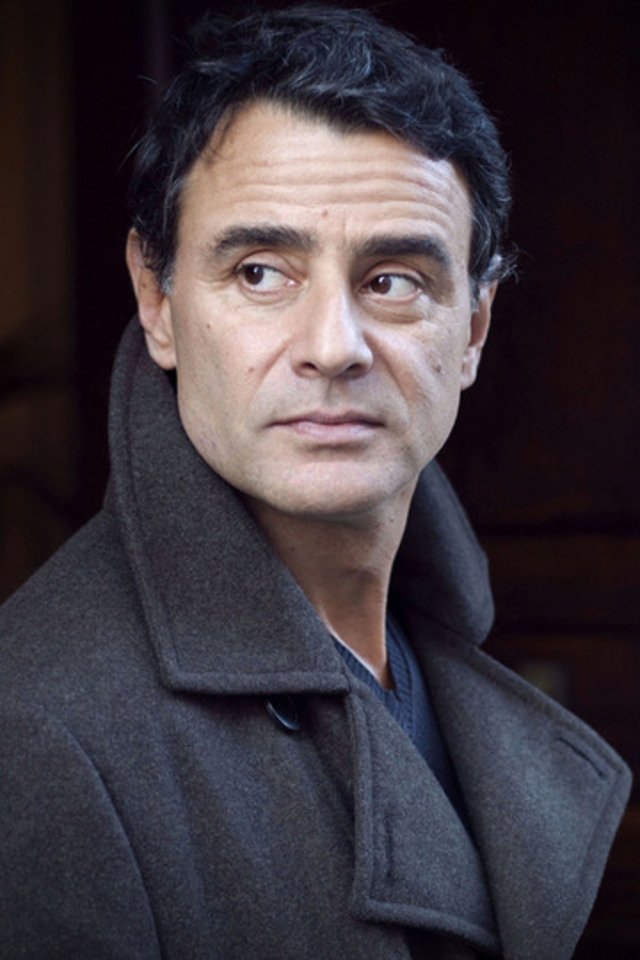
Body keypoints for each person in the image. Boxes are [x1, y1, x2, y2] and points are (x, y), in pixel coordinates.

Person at [0, 5, 630, 958]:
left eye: (393, 280)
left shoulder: (433, 655)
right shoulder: (36, 732)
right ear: (157, 301)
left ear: (473, 329)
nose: (333, 347)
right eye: (261, 272)